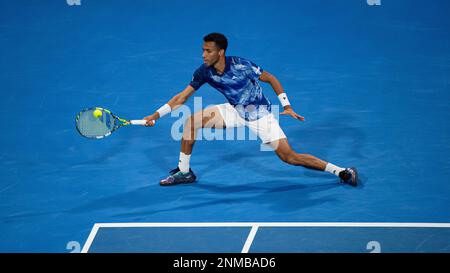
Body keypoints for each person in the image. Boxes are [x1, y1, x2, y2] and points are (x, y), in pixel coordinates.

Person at [144, 33, 358, 187]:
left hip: (260, 115)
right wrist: (155, 115)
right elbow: (182, 97)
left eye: (208, 51)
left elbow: (270, 78)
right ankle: (184, 171)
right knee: (191, 122)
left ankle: (341, 171)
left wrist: (287, 105)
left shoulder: (241, 65)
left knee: (289, 157)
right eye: (203, 50)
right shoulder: (204, 72)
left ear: (221, 52)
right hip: (234, 109)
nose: (203, 55)